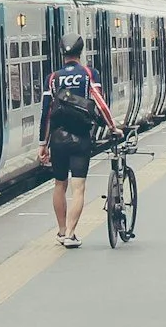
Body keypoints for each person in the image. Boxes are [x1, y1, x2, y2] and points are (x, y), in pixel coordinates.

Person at [38, 37, 115, 248]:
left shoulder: (53, 78)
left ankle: (62, 231)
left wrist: (42, 144)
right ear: (81, 53)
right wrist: (112, 126)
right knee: (78, 187)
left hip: (58, 139)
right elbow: (100, 103)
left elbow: (46, 113)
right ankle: (71, 234)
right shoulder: (89, 74)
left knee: (59, 184)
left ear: (62, 53)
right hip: (81, 137)